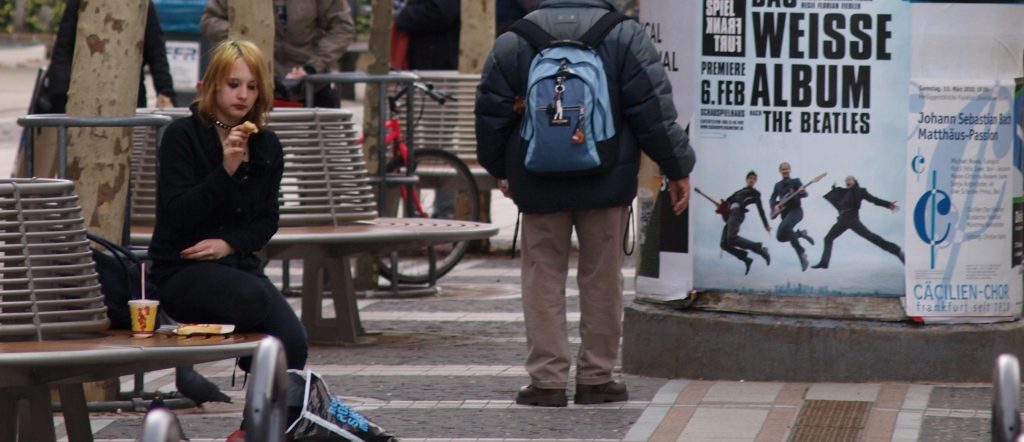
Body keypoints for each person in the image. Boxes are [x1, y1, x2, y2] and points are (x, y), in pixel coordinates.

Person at [475, 0, 694, 407]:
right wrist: (676, 166)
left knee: (542, 276)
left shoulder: (516, 38)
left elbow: (491, 112)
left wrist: (499, 169)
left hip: (537, 180)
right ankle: (597, 378)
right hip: (606, 178)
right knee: (602, 278)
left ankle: (547, 381)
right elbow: (653, 112)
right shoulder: (623, 34)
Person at [147, 40, 308, 375]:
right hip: (181, 269)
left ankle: (260, 424)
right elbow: (178, 213)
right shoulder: (183, 136)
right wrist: (226, 171)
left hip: (239, 266)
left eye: (251, 87)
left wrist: (229, 244)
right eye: (233, 85)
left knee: (292, 344)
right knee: (253, 298)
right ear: (213, 86)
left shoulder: (266, 144)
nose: (243, 96)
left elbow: (267, 220)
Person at [22, 0, 175, 177]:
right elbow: (64, 48)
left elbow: (155, 49)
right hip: (81, 102)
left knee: (124, 168)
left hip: (125, 101)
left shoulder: (139, 5)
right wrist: (59, 98)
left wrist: (166, 92)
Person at [200, 0, 355, 107]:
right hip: (253, 83)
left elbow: (342, 27)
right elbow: (209, 20)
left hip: (311, 84)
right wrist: (245, 35)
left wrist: (314, 65)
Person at [812, 175, 904, 269]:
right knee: (828, 238)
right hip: (842, 220)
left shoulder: (860, 191)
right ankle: (824, 263)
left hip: (853, 220)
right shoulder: (843, 192)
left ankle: (897, 251)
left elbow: (874, 200)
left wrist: (888, 204)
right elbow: (836, 198)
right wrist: (834, 188)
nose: (847, 181)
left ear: (854, 181)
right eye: (845, 180)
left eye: (849, 179)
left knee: (870, 237)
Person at [721, 171, 772, 275]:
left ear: (755, 181)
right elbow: (728, 201)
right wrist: (723, 207)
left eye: (754, 179)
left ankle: (760, 249)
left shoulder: (755, 193)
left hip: (737, 213)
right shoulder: (739, 191)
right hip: (730, 214)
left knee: (731, 238)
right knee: (724, 244)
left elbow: (760, 209)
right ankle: (745, 259)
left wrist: (766, 224)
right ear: (746, 179)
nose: (751, 180)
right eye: (750, 178)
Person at [769, 162, 815, 271]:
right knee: (780, 237)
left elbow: (805, 194)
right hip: (785, 215)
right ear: (780, 171)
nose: (785, 171)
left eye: (787, 169)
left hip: (796, 211)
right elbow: (772, 198)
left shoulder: (796, 181)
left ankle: (801, 254)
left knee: (785, 227)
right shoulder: (777, 185)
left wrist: (802, 191)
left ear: (790, 170)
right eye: (783, 169)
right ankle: (800, 234)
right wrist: (774, 206)